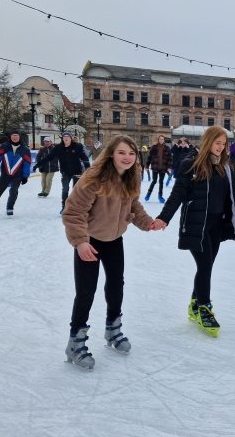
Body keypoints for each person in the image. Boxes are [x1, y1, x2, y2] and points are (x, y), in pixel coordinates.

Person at [151, 126, 235, 337]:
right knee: (204, 266)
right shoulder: (190, 165)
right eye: (217, 143)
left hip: (217, 225)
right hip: (196, 225)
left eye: (223, 144)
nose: (220, 147)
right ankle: (204, 308)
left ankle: (194, 304)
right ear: (207, 141)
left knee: (207, 265)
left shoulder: (225, 166)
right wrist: (164, 218)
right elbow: (177, 194)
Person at [62, 136, 159, 369]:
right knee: (86, 291)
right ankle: (75, 341)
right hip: (90, 240)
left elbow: (133, 206)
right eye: (122, 153)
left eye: (131, 153)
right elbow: (73, 212)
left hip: (114, 239)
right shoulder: (93, 179)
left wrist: (148, 223)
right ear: (111, 154)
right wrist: (81, 242)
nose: (127, 158)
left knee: (116, 285)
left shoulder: (131, 177)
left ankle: (113, 329)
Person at [33, 131, 90, 214]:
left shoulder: (77, 147)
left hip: (77, 172)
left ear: (70, 138)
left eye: (68, 136)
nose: (66, 138)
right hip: (65, 172)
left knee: (76, 191)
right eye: (64, 136)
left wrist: (88, 168)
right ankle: (64, 207)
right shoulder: (59, 148)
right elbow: (48, 157)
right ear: (63, 138)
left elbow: (84, 158)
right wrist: (37, 165)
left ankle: (76, 207)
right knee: (65, 190)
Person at [0, 129, 31, 216]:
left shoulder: (25, 149)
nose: (15, 137)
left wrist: (25, 176)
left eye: (17, 136)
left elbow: (27, 163)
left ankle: (10, 208)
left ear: (19, 137)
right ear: (10, 137)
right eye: (13, 135)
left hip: (18, 174)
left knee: (14, 190)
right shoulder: (4, 146)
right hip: (5, 173)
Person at [144, 135, 172, 203]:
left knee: (161, 182)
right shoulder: (154, 147)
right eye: (160, 139)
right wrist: (147, 166)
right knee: (154, 181)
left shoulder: (167, 148)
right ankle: (148, 194)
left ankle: (160, 196)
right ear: (158, 140)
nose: (161, 140)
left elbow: (170, 158)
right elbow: (149, 157)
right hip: (155, 167)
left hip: (163, 167)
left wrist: (169, 167)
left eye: (162, 139)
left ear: (164, 140)